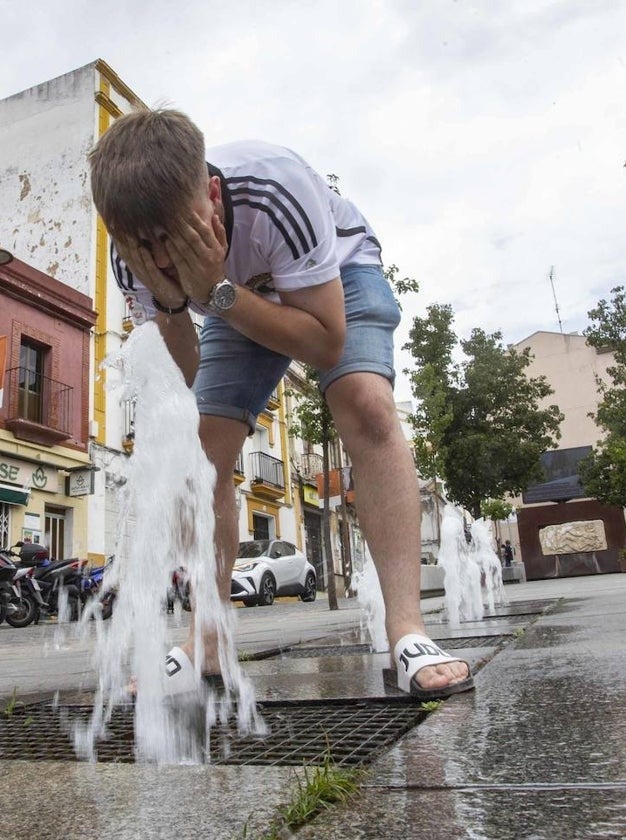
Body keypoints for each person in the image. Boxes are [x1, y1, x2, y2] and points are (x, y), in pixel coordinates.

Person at [88, 108, 472, 700]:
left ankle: (406, 630)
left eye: (180, 239)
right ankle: (207, 641)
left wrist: (215, 290)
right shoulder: (133, 255)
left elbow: (324, 341)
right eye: (148, 250)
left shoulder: (275, 191)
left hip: (336, 279)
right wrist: (169, 304)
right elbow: (186, 377)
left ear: (212, 194)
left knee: (366, 405)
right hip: (229, 302)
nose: (164, 259)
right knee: (204, 456)